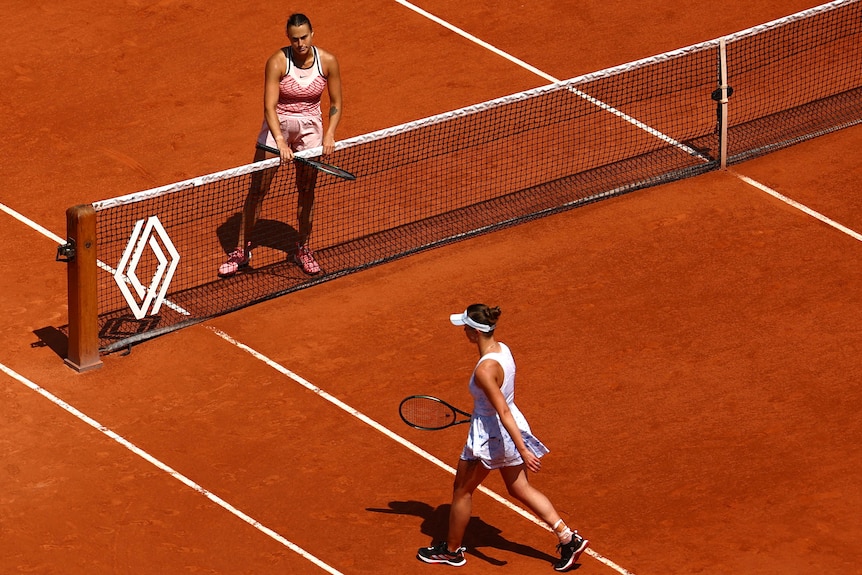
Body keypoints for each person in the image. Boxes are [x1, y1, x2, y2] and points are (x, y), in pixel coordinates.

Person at [417, 304, 589, 572]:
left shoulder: (485, 370)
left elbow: (502, 410)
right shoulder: (503, 349)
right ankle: (568, 538)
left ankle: (451, 552)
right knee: (519, 488)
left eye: (465, 326)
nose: (462, 330)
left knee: (462, 490)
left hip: (492, 437)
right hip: (507, 429)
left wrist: (523, 449)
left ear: (475, 332)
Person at [219, 13, 343, 277]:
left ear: (313, 33)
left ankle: (302, 248)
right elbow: (269, 106)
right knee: (257, 190)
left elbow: (335, 104)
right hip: (279, 126)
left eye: (305, 37)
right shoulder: (277, 62)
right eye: (295, 39)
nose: (300, 44)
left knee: (307, 191)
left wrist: (330, 134)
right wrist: (279, 142)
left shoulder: (328, 62)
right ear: (289, 38)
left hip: (311, 128)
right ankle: (241, 250)